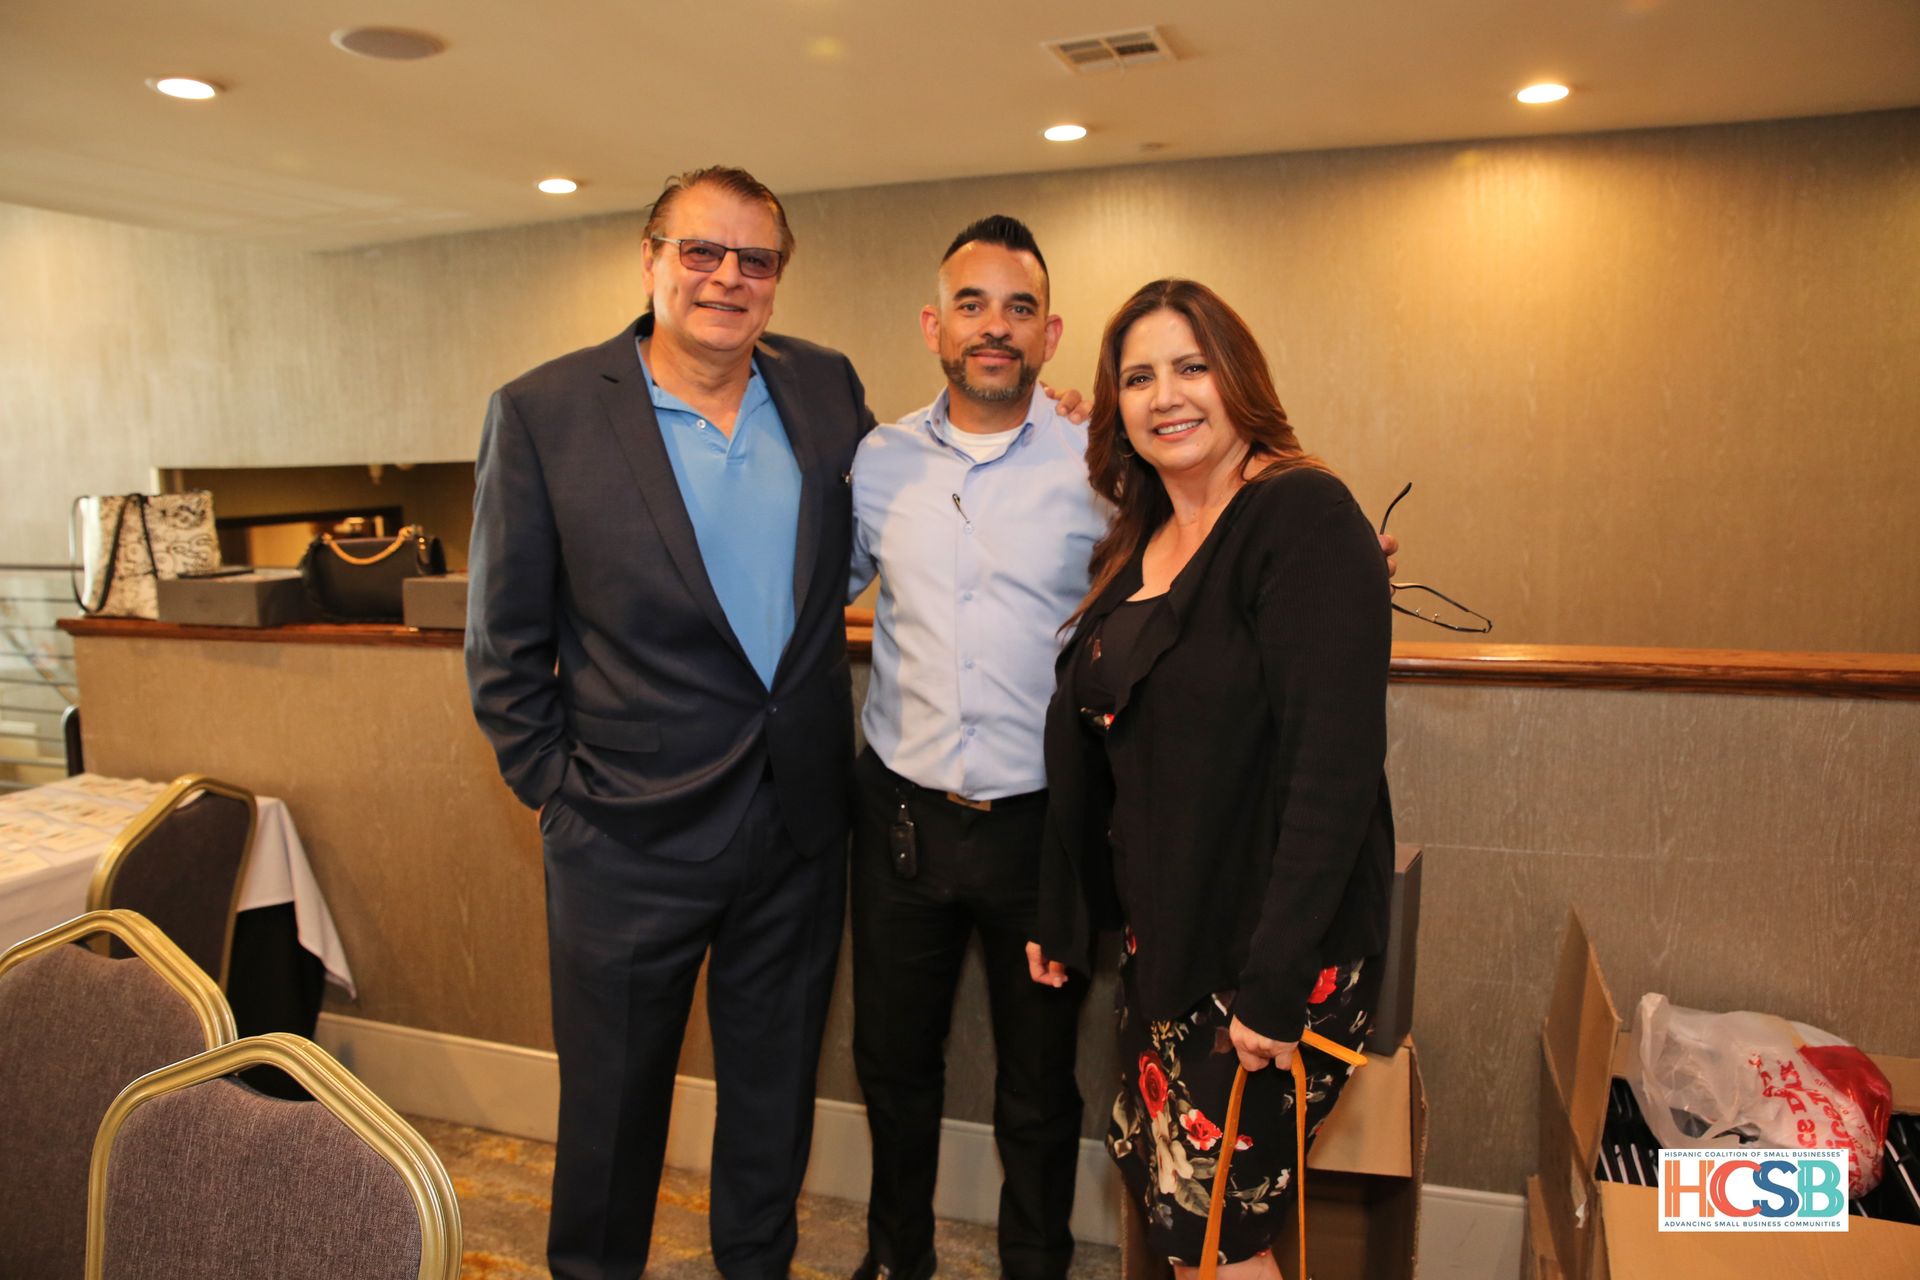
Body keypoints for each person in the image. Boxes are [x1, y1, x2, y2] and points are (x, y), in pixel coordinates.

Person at [466, 166, 874, 1280]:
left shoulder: (829, 389)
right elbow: (502, 650)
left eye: (755, 259)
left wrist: (1050, 424)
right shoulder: (543, 411)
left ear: (778, 281)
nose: (727, 278)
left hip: (795, 821)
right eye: (701, 251)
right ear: (649, 258)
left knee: (772, 1096)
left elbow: (916, 500)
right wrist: (563, 790)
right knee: (610, 1112)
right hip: (624, 837)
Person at [1027, 278, 1395, 1280]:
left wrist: (1274, 990)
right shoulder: (1144, 533)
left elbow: (1334, 771)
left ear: (1240, 377)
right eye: (1138, 376)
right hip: (1171, 942)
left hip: (1271, 955)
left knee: (1224, 1246)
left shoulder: (1303, 514)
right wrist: (1066, 909)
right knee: (1185, 1224)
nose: (1165, 395)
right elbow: (1109, 743)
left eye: (1191, 365)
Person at [845, 216, 1106, 1280]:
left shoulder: (1105, 455)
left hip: (1043, 830)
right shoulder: (877, 459)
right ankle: (896, 1258)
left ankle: (1034, 1264)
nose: (994, 327)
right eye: (972, 304)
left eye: (1018, 307)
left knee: (1039, 1083)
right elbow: (809, 591)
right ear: (932, 325)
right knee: (893, 1066)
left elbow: (1208, 546)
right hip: (900, 816)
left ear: (1051, 334)